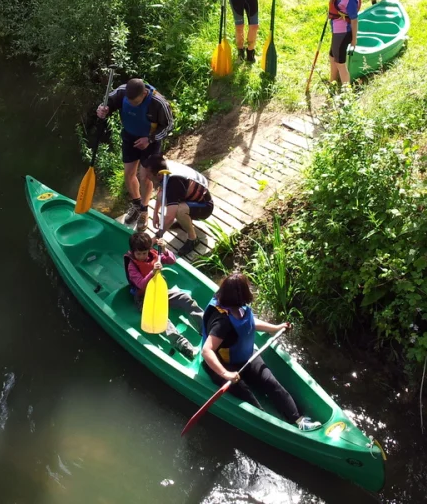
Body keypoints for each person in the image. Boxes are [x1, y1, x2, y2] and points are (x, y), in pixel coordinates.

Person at [201, 273, 322, 432]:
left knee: (270, 382)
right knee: (247, 396)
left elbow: (249, 323)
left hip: (244, 357)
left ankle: (298, 419)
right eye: (247, 288)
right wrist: (226, 374)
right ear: (239, 295)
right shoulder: (222, 322)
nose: (251, 290)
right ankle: (268, 425)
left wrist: (275, 328)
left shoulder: (240, 307)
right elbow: (206, 350)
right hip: (222, 364)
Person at [97, 78, 173, 232]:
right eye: (129, 101)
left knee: (145, 177)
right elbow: (107, 105)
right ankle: (137, 204)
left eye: (135, 102)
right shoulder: (121, 92)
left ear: (144, 93)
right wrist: (102, 110)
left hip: (150, 141)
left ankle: (144, 210)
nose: (131, 104)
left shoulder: (158, 102)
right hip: (129, 137)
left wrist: (150, 139)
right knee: (129, 174)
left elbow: (169, 126)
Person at [124, 232, 203, 359]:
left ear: (149, 249)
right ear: (132, 252)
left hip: (160, 292)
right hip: (144, 299)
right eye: (138, 254)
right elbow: (140, 284)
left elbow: (172, 260)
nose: (142, 257)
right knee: (163, 320)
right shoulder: (132, 265)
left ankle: (205, 326)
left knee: (184, 298)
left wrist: (165, 250)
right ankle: (183, 345)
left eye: (144, 253)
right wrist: (152, 272)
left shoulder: (155, 254)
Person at [146, 155, 214, 257]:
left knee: (179, 210)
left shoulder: (174, 182)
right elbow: (161, 191)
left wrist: (156, 237)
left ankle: (193, 239)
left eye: (149, 173)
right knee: (161, 196)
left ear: (159, 174)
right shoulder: (164, 169)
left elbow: (169, 217)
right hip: (192, 200)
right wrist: (155, 214)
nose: (147, 175)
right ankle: (183, 221)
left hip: (205, 207)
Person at [328, 0, 361, 86]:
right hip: (337, 31)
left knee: (340, 63)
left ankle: (346, 92)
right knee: (332, 56)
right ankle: (332, 81)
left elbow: (354, 20)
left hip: (342, 32)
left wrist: (354, 40)